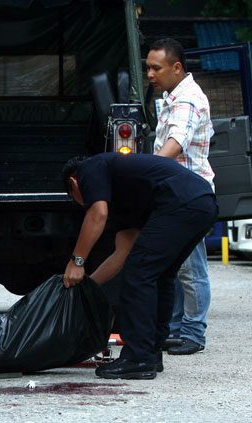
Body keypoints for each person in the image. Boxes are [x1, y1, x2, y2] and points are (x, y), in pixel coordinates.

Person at [61, 152, 217, 380]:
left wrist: (77, 261)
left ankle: (138, 358)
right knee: (159, 274)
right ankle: (150, 353)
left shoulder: (89, 168)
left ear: (73, 183)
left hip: (184, 202)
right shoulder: (125, 195)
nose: (82, 203)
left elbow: (97, 214)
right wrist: (88, 285)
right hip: (202, 203)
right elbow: (122, 253)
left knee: (140, 272)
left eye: (74, 197)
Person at [147, 38, 215, 356]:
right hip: (180, 195)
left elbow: (176, 141)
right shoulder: (174, 97)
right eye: (147, 67)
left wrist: (148, 169)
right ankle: (175, 328)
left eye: (155, 68)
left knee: (191, 268)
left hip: (188, 197)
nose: (149, 73)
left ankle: (193, 332)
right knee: (173, 265)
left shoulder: (186, 100)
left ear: (176, 67)